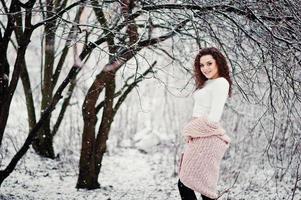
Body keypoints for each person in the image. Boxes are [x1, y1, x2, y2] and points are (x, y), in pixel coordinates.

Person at [177, 47, 233, 200]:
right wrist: (192, 131)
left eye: (209, 63)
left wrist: (190, 129)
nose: (205, 68)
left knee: (193, 185)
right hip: (200, 136)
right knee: (193, 184)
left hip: (207, 138)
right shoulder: (207, 83)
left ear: (218, 63)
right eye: (202, 65)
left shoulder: (221, 82)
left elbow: (214, 118)